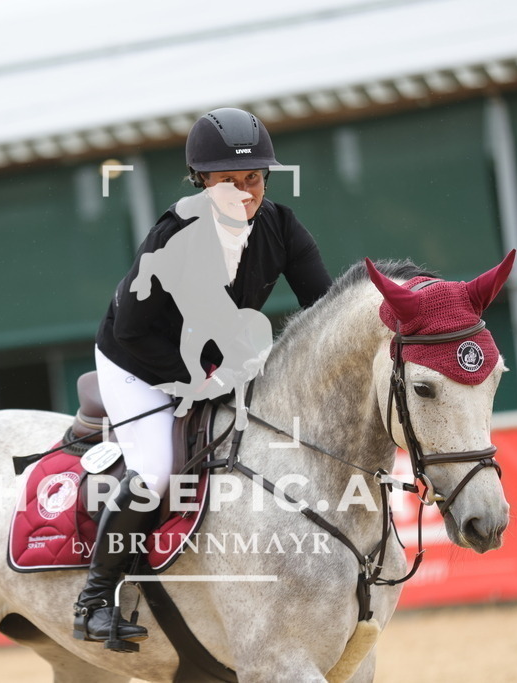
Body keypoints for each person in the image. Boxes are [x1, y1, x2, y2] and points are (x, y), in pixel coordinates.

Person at [73, 107, 333, 648]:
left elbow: (323, 310)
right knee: (156, 469)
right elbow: (133, 330)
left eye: (253, 178)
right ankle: (94, 600)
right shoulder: (174, 235)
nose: (243, 193)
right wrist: (197, 383)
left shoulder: (282, 226)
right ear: (201, 181)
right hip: (137, 361)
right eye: (227, 181)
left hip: (212, 359)